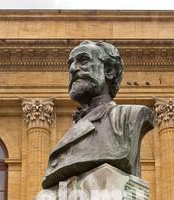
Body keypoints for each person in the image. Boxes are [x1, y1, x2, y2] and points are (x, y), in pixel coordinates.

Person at [42, 40, 154, 189]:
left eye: (84, 61)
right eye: (71, 64)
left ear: (109, 71)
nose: (74, 69)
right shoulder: (70, 134)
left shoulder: (128, 117)